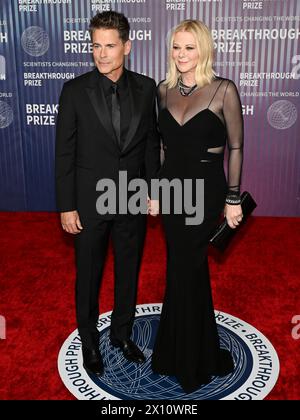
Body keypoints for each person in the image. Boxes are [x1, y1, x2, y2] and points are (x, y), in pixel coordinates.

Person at [55, 11, 160, 377]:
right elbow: (65, 153)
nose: (101, 54)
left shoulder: (148, 89)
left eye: (110, 46)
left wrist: (154, 190)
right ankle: (88, 341)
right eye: (96, 45)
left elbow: (150, 145)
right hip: (89, 202)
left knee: (128, 270)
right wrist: (67, 206)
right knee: (89, 274)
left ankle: (121, 334)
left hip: (131, 198)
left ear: (127, 47)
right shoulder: (74, 90)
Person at [150, 20, 244, 393]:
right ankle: (179, 351)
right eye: (176, 47)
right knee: (179, 267)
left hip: (205, 191)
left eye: (189, 47)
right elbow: (161, 145)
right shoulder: (163, 90)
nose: (182, 55)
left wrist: (233, 198)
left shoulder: (223, 90)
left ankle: (194, 359)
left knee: (189, 264)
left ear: (203, 50)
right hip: (172, 188)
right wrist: (156, 189)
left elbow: (235, 147)